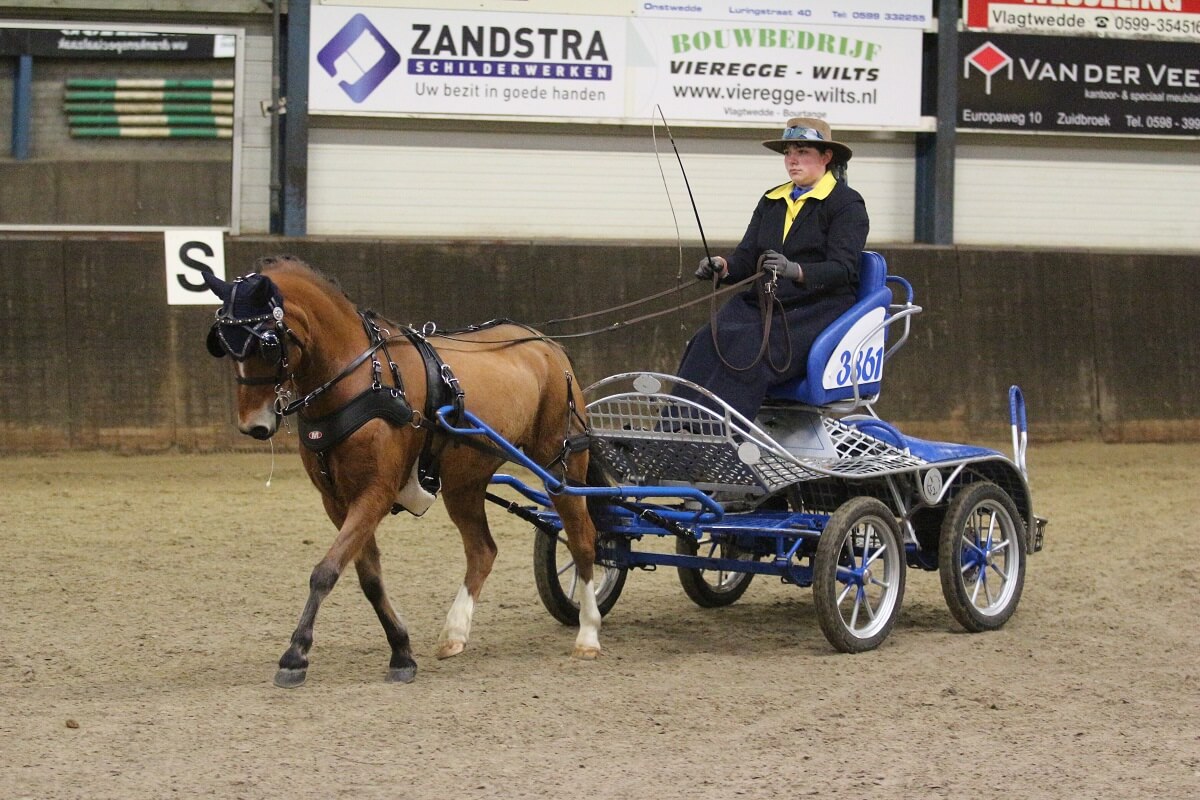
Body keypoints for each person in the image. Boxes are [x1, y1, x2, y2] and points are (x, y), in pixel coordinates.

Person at [675, 117, 869, 421]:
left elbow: (843, 269)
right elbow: (746, 258)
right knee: (706, 340)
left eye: (802, 152)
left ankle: (719, 435)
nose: (792, 160)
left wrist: (796, 270)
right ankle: (674, 427)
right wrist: (723, 267)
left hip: (815, 309)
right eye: (788, 152)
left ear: (826, 157)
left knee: (746, 348)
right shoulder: (772, 200)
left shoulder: (846, 204)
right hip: (765, 304)